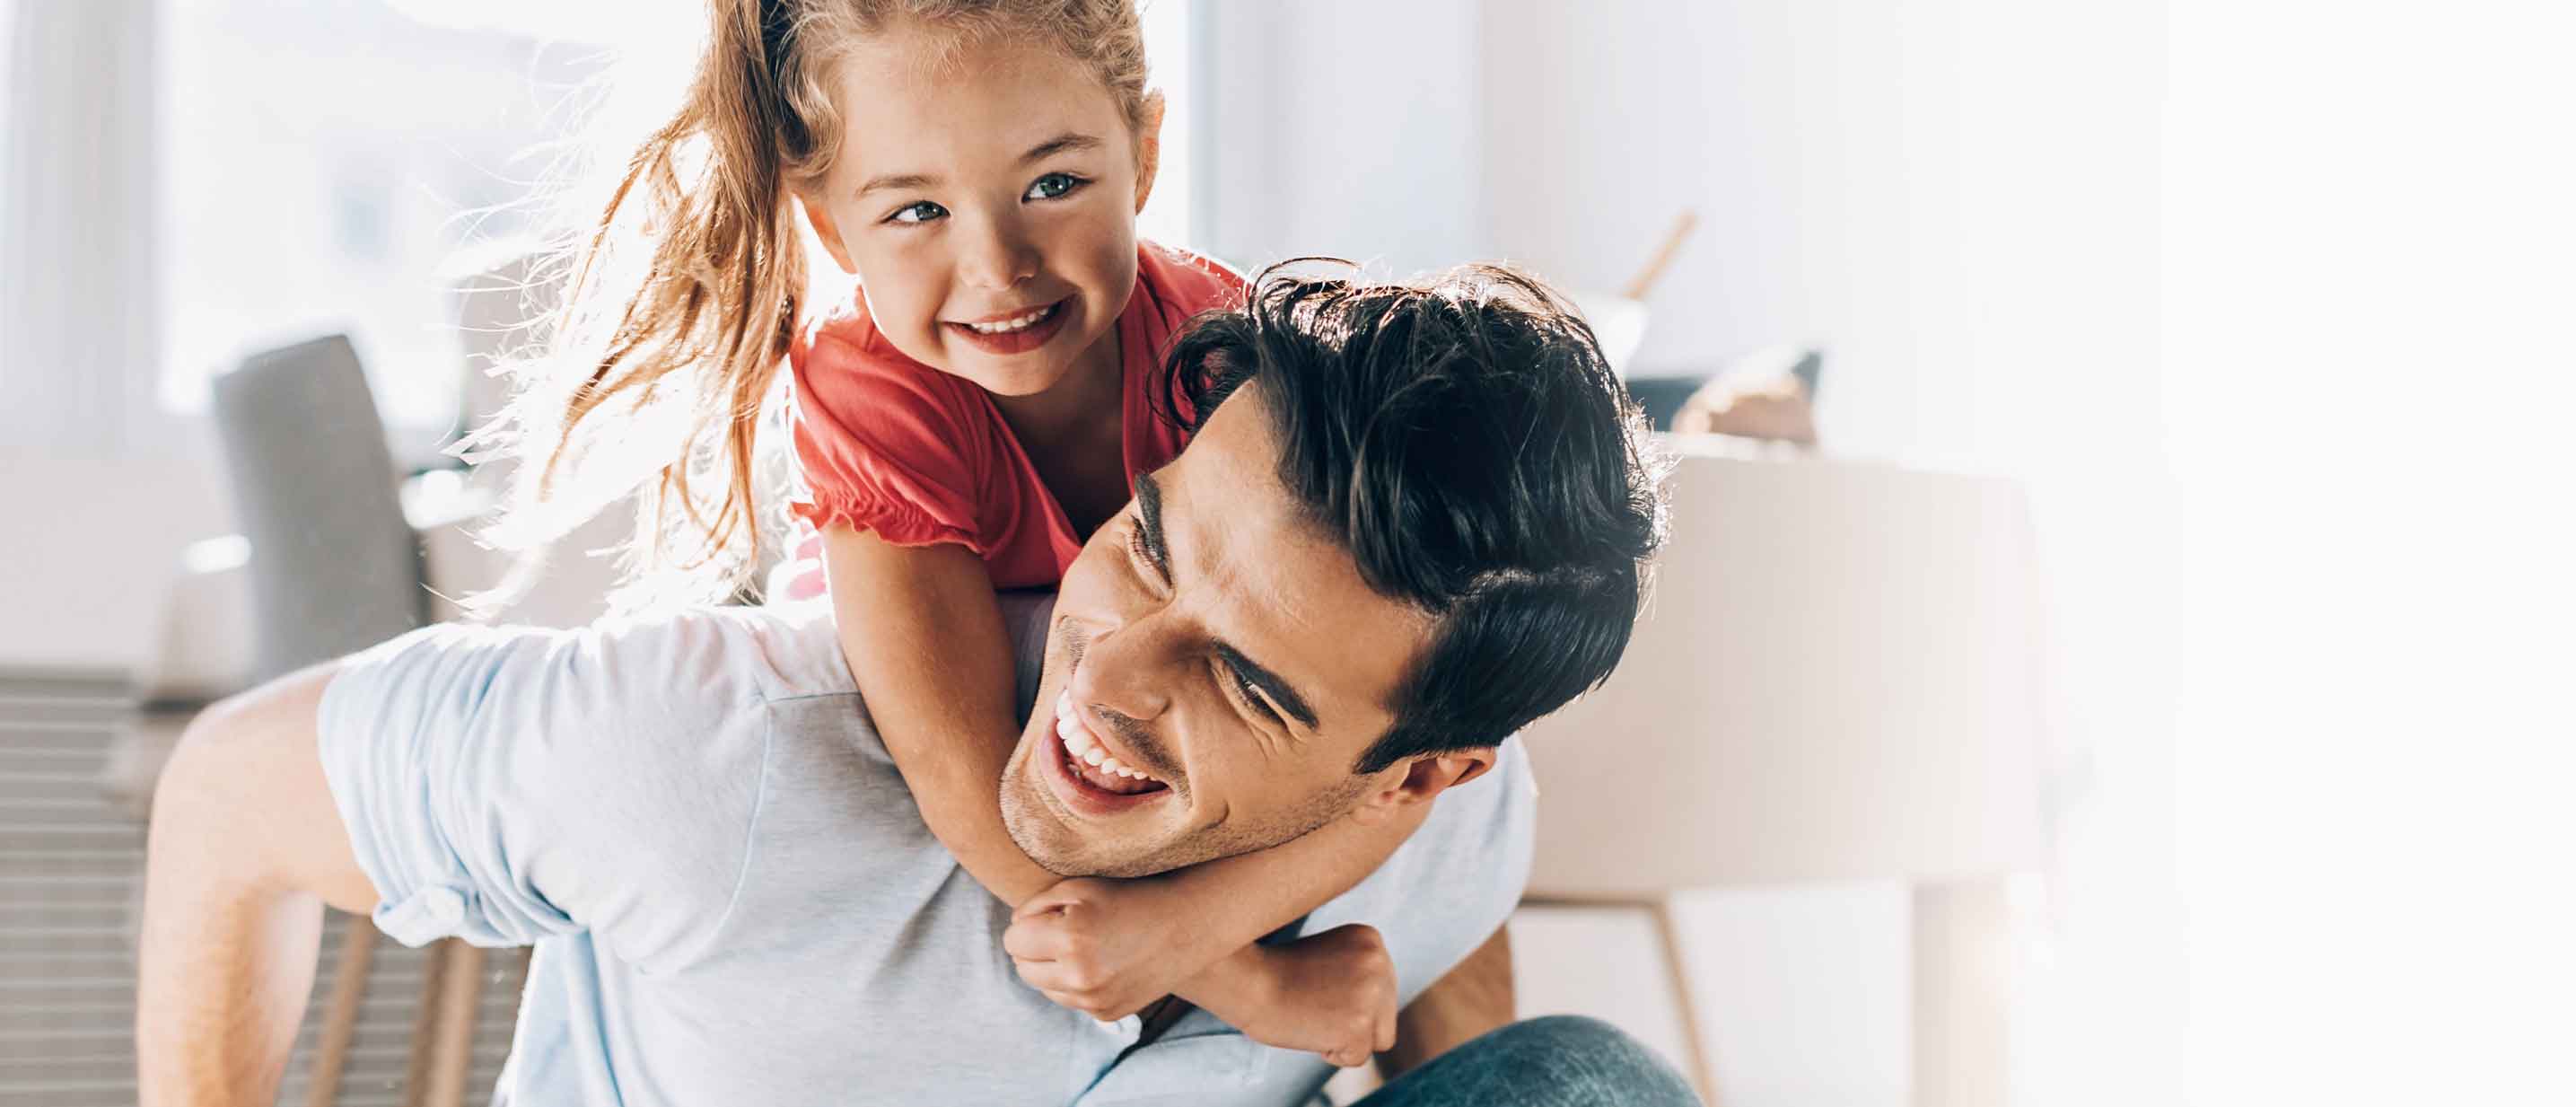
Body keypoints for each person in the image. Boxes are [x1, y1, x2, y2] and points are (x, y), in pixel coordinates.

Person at [136, 265, 1695, 1106]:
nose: (1114, 674)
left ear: (1420, 771)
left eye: (1248, 680)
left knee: (1584, 1090)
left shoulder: (1451, 824)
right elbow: (223, 795)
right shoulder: (709, 754)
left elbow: (1457, 1006)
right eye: (1146, 548)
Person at [459, 0, 1416, 1055]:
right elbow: (955, 775)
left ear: (1143, 155)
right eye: (916, 211)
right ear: (831, 229)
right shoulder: (865, 379)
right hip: (946, 763)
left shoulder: (1230, 352)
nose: (999, 267)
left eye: (1053, 184)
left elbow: (1416, 737)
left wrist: (1194, 924)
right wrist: (1246, 984)